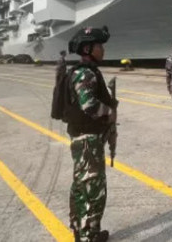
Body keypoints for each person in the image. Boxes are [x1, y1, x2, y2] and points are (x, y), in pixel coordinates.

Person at [66, 26, 117, 242]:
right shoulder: (85, 73)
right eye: (99, 46)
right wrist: (109, 112)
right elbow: (89, 106)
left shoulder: (84, 71)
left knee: (81, 186)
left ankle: (83, 231)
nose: (102, 50)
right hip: (88, 140)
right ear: (88, 48)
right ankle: (88, 236)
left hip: (84, 138)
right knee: (92, 190)